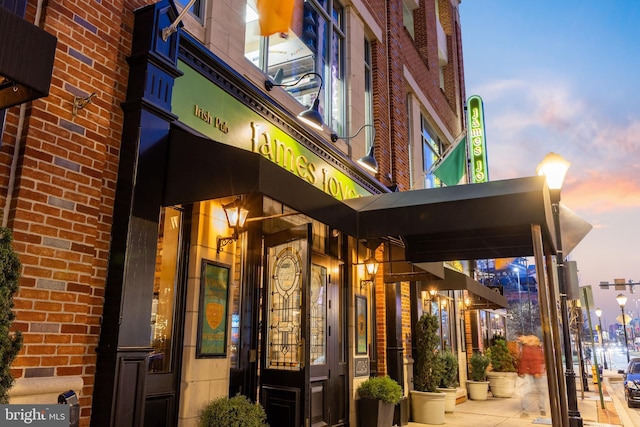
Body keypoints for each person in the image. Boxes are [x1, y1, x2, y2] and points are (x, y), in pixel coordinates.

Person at [517, 335, 547, 418]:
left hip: (531, 372)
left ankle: (526, 410)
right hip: (534, 372)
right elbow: (536, 360)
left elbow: (524, 361)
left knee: (526, 391)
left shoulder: (527, 348)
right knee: (540, 391)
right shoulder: (533, 349)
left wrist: (521, 372)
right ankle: (542, 409)